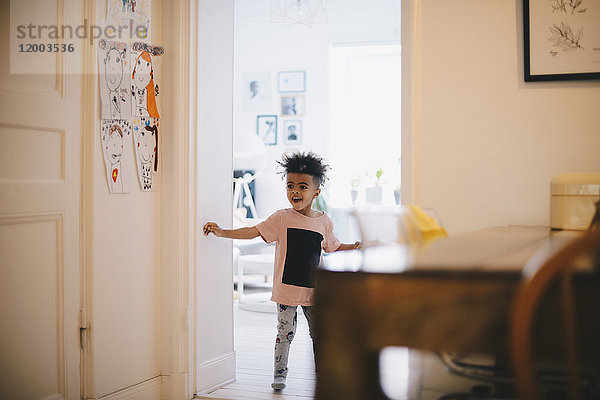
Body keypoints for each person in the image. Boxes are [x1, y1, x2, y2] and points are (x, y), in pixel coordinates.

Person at [203, 151, 360, 391]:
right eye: (290, 186)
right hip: (286, 291)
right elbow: (253, 231)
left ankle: (324, 377)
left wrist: (357, 246)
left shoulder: (324, 222)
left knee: (319, 336)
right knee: (284, 333)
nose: (295, 191)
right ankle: (279, 375)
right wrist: (223, 232)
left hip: (314, 293)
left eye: (302, 186)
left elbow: (334, 246)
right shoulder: (281, 218)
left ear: (316, 192)